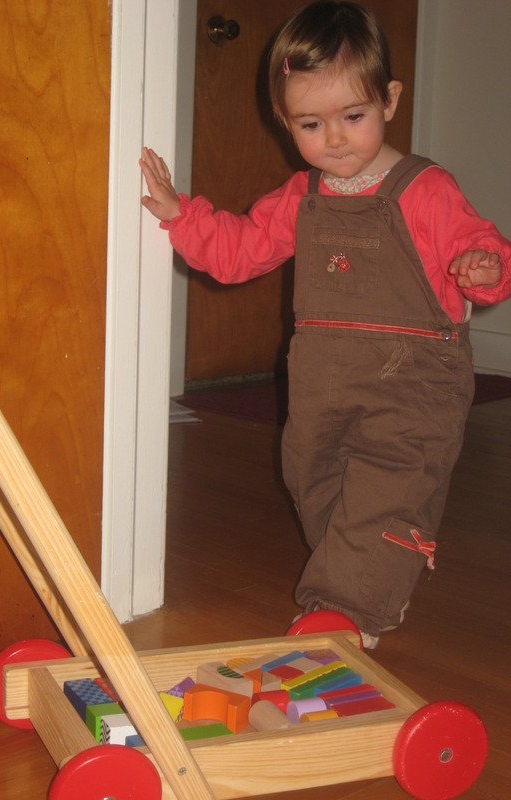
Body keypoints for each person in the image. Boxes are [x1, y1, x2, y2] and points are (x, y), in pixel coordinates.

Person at [139, 0, 511, 648]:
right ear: (285, 121)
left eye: (353, 117)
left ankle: (349, 610)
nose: (334, 139)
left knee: (389, 487)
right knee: (313, 482)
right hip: (321, 383)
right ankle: (371, 574)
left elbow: (477, 245)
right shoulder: (299, 197)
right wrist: (180, 215)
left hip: (414, 385)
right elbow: (238, 250)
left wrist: (483, 268)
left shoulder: (425, 189)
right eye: (311, 124)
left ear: (389, 100)